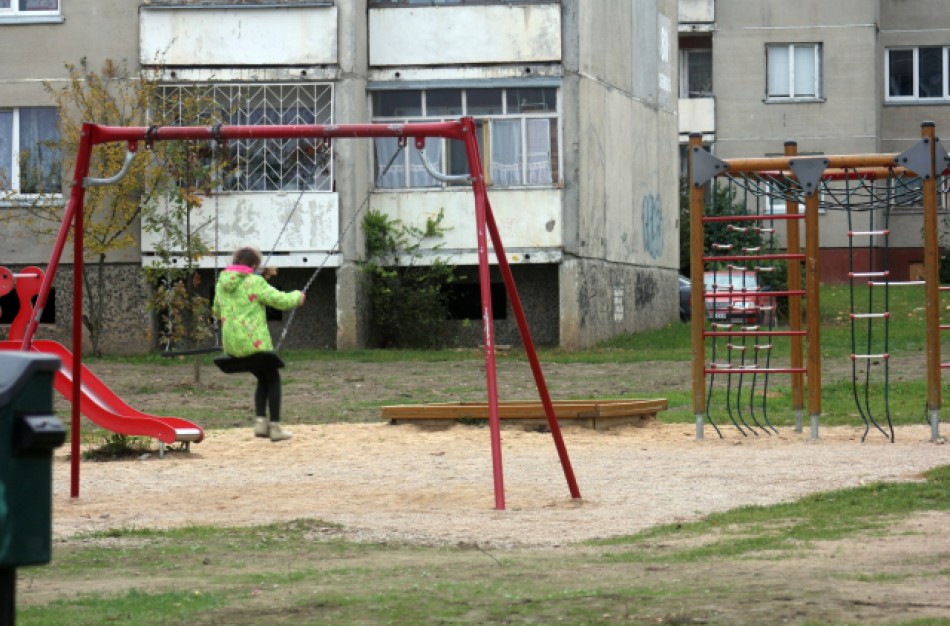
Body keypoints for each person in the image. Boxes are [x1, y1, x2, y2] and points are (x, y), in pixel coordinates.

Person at [213, 246, 305, 442]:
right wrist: (298, 296)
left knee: (263, 377)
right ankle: (275, 427)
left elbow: (216, 310)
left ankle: (261, 423)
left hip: (232, 346)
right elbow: (280, 300)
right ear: (254, 266)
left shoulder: (221, 283)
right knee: (273, 377)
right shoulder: (255, 282)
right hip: (254, 343)